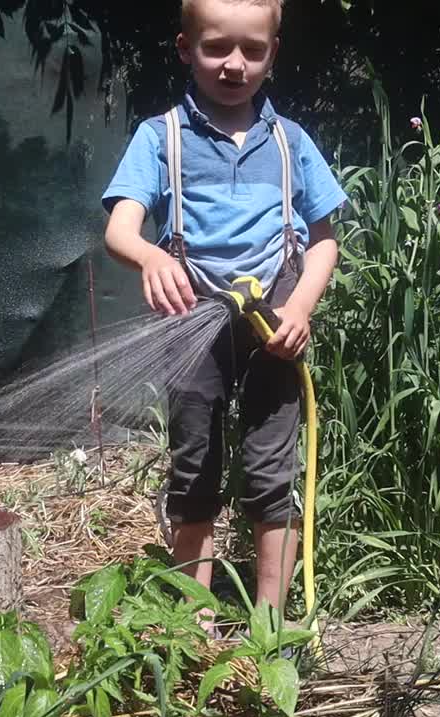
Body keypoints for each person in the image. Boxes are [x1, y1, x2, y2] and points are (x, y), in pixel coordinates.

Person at [100, 0, 347, 629]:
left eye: (252, 50)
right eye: (216, 48)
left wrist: (300, 306)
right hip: (193, 319)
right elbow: (121, 230)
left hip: (275, 321)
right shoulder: (162, 137)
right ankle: (194, 621)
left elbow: (322, 241)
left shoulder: (290, 141)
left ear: (272, 54)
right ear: (186, 48)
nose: (234, 64)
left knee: (273, 464)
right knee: (194, 461)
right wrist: (149, 258)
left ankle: (270, 624)